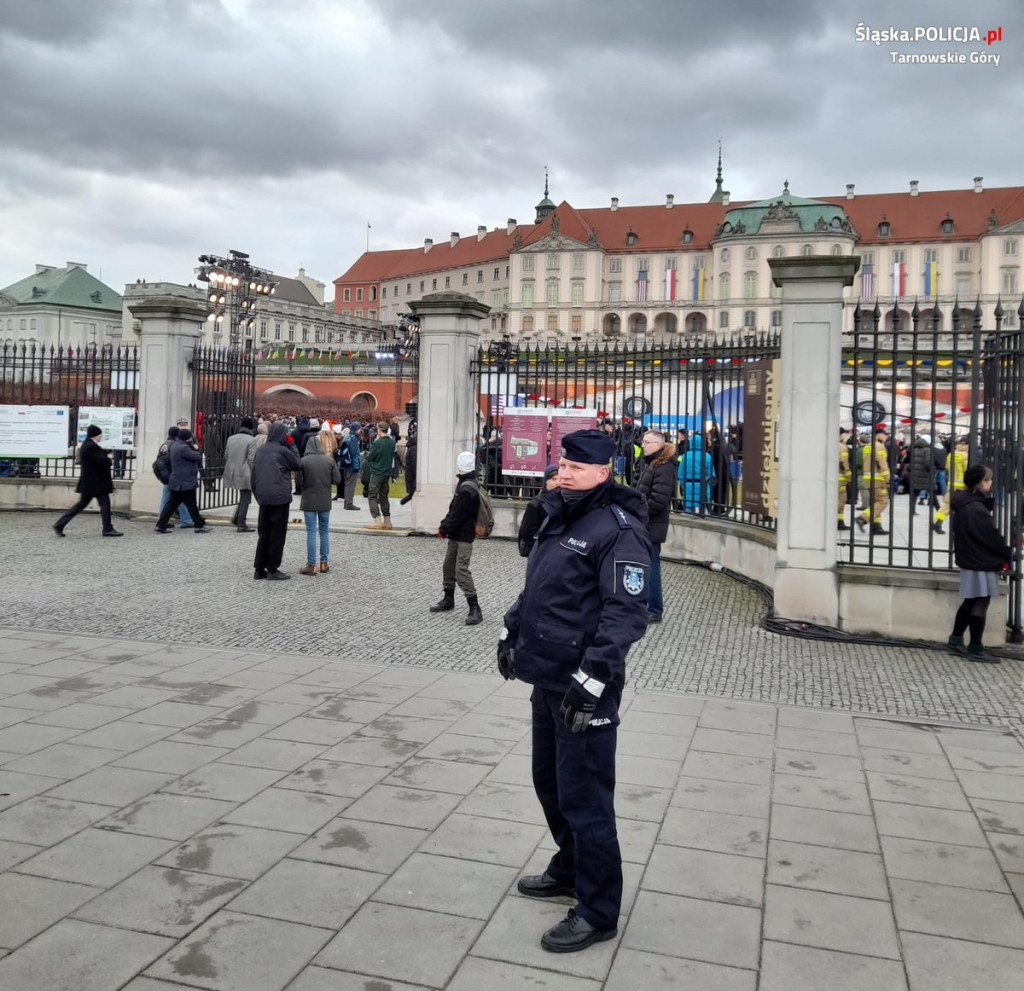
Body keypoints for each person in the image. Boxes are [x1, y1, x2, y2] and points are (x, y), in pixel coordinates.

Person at [498, 428, 650, 954]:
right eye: (562, 465)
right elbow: (540, 585)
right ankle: (569, 865)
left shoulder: (618, 530)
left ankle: (597, 909)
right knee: (551, 785)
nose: (564, 474)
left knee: (586, 800)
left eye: (576, 469)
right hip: (547, 677)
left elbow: (626, 614)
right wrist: (511, 625)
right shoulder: (559, 514)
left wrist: (594, 678)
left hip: (585, 686)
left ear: (604, 473)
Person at [947, 465, 1012, 663]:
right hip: (980, 560)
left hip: (971, 558)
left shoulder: (966, 503)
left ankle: (955, 640)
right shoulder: (976, 508)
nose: (990, 483)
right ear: (979, 483)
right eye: (987, 480)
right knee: (981, 601)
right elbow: (989, 536)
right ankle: (975, 647)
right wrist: (1006, 552)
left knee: (971, 600)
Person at [429, 451, 484, 624]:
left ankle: (475, 607)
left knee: (461, 571)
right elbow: (454, 510)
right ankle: (448, 599)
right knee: (448, 565)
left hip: (464, 534)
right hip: (457, 533)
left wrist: (443, 529)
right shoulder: (465, 483)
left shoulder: (467, 488)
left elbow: (457, 514)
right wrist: (446, 526)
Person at [633, 430, 677, 623]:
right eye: (643, 441)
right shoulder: (649, 463)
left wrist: (639, 511)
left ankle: (655, 609)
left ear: (659, 446)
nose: (643, 445)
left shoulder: (664, 466)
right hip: (645, 523)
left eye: (647, 442)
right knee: (643, 566)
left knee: (651, 568)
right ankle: (644, 606)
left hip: (652, 526)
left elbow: (659, 500)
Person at [251, 420, 302, 580]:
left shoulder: (260, 450)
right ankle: (272, 568)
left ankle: (259, 568)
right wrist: (291, 443)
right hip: (279, 496)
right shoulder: (282, 451)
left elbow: (254, 475)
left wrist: (258, 494)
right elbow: (297, 463)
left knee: (264, 533)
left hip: (264, 497)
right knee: (277, 534)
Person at [53, 425, 122, 537]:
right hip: (96, 482)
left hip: (89, 482)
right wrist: (109, 459)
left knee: (80, 505)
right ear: (96, 435)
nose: (101, 437)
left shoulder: (87, 445)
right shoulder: (91, 446)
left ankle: (60, 524)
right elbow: (101, 461)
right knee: (105, 504)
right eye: (100, 435)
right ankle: (107, 528)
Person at [298, 433, 341, 575]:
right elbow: (337, 480)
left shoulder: (303, 461)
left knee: (311, 532)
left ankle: (311, 564)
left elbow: (299, 482)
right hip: (324, 499)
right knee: (324, 531)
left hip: (309, 499)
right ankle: (324, 563)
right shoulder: (329, 461)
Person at [153, 429, 211, 533]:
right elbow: (196, 456)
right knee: (192, 505)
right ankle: (199, 525)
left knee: (171, 505)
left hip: (178, 481)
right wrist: (196, 448)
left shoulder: (176, 445)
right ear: (187, 438)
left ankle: (161, 525)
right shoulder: (183, 448)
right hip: (185, 482)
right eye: (189, 437)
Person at [223, 416, 257, 532]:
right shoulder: (252, 440)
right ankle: (241, 523)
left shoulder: (230, 438)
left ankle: (237, 518)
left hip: (232, 471)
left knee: (243, 497)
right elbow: (251, 459)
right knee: (246, 498)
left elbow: (226, 455)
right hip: (245, 472)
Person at [518, 464, 559, 556]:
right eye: (554, 479)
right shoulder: (536, 504)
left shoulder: (566, 502)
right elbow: (526, 531)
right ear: (546, 482)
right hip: (540, 550)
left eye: (560, 479)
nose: (557, 482)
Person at [855, 427, 890, 535]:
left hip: (867, 479)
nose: (886, 437)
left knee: (875, 502)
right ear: (878, 435)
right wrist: (887, 478)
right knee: (882, 501)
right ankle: (863, 518)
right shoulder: (879, 447)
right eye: (884, 434)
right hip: (878, 480)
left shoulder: (867, 447)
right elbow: (881, 463)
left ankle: (876, 526)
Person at [933, 435, 969, 535]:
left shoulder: (951, 454)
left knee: (947, 505)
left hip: (951, 483)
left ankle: (937, 521)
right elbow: (967, 470)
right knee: (965, 507)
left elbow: (947, 467)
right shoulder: (965, 456)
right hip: (963, 485)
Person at [157, 426, 193, 528]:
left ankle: (162, 520)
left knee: (166, 498)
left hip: (165, 474)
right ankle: (185, 520)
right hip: (174, 474)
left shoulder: (164, 444)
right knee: (181, 498)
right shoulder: (175, 445)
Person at [364, 420, 396, 529]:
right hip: (386, 473)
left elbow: (370, 457)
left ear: (379, 430)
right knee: (383, 497)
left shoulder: (378, 443)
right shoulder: (392, 442)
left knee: (372, 496)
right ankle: (387, 521)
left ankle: (377, 520)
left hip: (377, 472)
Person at [676, 430, 712, 513]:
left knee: (688, 508)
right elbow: (710, 474)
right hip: (703, 486)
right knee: (704, 510)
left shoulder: (685, 455)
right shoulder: (707, 456)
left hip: (688, 484)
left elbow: (681, 473)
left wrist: (683, 484)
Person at [399, 424, 418, 505]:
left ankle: (402, 502)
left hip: (411, 477)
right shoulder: (414, 450)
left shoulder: (411, 449)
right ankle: (402, 502)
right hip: (412, 478)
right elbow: (414, 466)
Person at [837, 427, 852, 530]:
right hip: (840, 479)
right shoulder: (842, 447)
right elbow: (844, 462)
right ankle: (839, 522)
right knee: (841, 500)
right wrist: (848, 475)